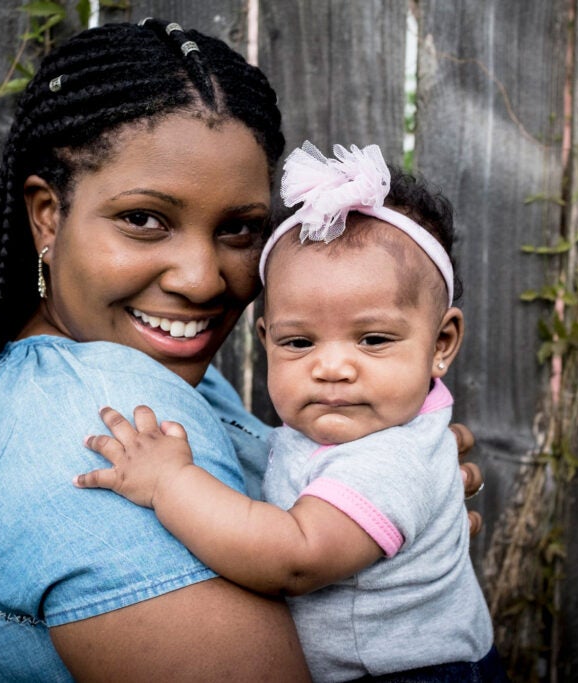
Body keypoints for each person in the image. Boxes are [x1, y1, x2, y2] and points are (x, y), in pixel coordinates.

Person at [0, 19, 484, 681]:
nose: (202, 277)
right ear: (47, 214)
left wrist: (397, 507)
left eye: (239, 228)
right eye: (144, 219)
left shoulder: (158, 374)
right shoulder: (95, 434)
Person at [77, 142, 505, 681]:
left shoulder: (389, 458)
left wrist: (169, 483)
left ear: (442, 343)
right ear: (266, 339)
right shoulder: (346, 432)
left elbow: (295, 557)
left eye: (372, 339)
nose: (331, 367)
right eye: (299, 343)